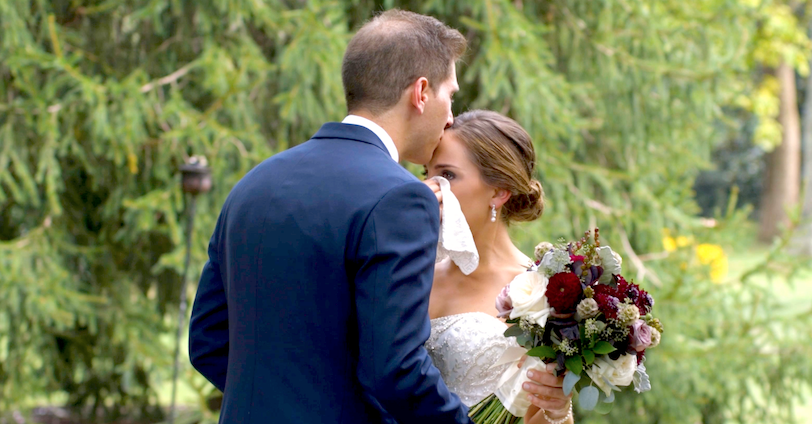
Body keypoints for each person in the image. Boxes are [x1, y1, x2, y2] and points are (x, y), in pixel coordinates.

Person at [188, 10, 471, 423]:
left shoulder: (253, 184)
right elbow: (395, 369)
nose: (450, 117)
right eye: (451, 95)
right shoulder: (401, 198)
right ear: (421, 92)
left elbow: (208, 342)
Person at [424, 110, 575, 424]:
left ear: (499, 190)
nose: (432, 188)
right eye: (427, 173)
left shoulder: (540, 295)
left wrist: (556, 409)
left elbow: (535, 415)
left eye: (448, 175)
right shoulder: (413, 269)